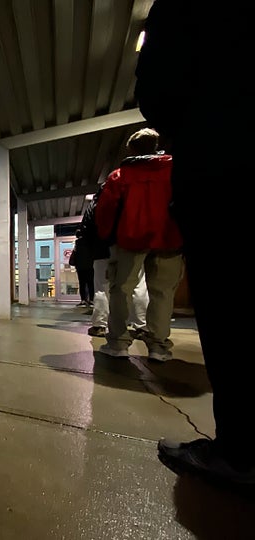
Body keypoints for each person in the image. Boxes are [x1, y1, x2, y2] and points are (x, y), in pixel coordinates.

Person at [134, 0, 254, 487]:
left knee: (230, 311)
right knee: (160, 293)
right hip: (175, 229)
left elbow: (158, 85)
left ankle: (242, 452)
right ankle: (158, 343)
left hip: (221, 171)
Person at [94, 127, 183, 362]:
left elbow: (106, 211)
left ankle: (119, 343)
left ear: (132, 149)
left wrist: (107, 238)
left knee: (121, 289)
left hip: (130, 239)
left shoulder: (120, 176)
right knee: (162, 292)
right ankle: (158, 346)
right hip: (169, 239)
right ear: (156, 145)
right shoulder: (175, 170)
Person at [80, 182, 149, 338]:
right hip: (132, 248)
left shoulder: (96, 203)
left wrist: (91, 250)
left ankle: (100, 325)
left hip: (102, 251)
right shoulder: (134, 198)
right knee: (138, 286)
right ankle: (141, 326)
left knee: (102, 288)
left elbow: (86, 228)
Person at [68, 228, 94, 306]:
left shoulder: (77, 244)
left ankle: (83, 300)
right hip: (89, 266)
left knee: (82, 284)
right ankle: (91, 300)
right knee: (90, 283)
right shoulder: (90, 243)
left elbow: (75, 255)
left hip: (80, 267)